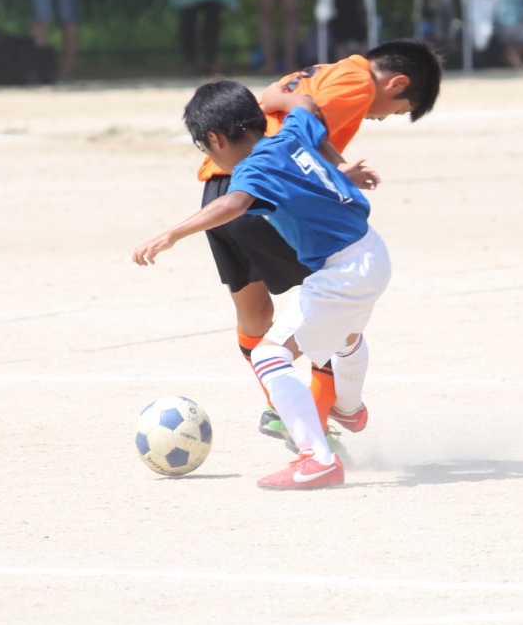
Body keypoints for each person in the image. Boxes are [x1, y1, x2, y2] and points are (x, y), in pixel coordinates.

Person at [134, 81, 392, 489]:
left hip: (343, 271)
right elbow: (305, 103)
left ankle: (318, 459)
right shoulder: (289, 134)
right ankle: (348, 408)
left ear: (216, 139)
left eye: (204, 149)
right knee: (345, 336)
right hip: (371, 252)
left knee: (269, 357)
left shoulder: (254, 168)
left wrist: (172, 234)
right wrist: (278, 98)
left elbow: (233, 203)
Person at [193, 41, 441, 447]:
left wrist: (337, 165)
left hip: (219, 186)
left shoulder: (326, 69)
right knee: (334, 308)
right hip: (266, 190)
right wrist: (338, 172)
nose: (381, 117)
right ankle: (314, 419)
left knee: (254, 315)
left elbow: (279, 99)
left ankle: (283, 408)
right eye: (397, 110)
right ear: (396, 83)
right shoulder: (358, 83)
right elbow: (301, 133)